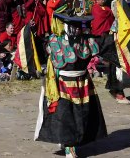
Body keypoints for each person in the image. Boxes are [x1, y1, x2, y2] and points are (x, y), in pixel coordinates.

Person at [34, 13, 107, 158]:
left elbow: (107, 43)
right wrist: (32, 31)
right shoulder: (55, 41)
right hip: (63, 84)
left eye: (78, 26)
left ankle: (75, 140)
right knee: (65, 115)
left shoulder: (88, 41)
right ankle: (69, 146)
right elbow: (39, 49)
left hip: (83, 83)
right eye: (72, 26)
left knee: (82, 114)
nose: (76, 30)